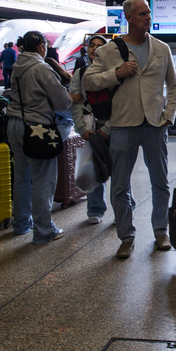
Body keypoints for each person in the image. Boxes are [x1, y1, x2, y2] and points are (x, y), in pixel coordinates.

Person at [83, 0, 176, 259]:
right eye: (141, 14)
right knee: (120, 185)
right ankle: (126, 235)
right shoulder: (109, 51)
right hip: (123, 124)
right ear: (128, 18)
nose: (147, 17)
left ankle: (161, 230)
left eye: (148, 13)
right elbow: (88, 82)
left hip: (155, 125)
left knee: (160, 181)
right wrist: (117, 73)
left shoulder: (161, 48)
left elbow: (173, 86)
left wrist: (169, 116)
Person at [7, 31, 73, 244]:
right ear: (41, 47)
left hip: (14, 125)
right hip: (37, 128)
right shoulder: (41, 68)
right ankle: (44, 231)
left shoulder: (17, 67)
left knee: (21, 177)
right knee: (43, 180)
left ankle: (20, 224)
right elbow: (63, 103)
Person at [69, 35, 110, 225]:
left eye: (100, 46)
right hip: (90, 126)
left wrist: (109, 128)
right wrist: (81, 128)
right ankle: (94, 210)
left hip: (113, 126)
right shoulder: (80, 73)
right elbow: (76, 103)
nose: (94, 49)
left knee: (119, 170)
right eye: (92, 46)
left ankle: (124, 209)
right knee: (92, 166)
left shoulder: (114, 72)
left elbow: (120, 103)